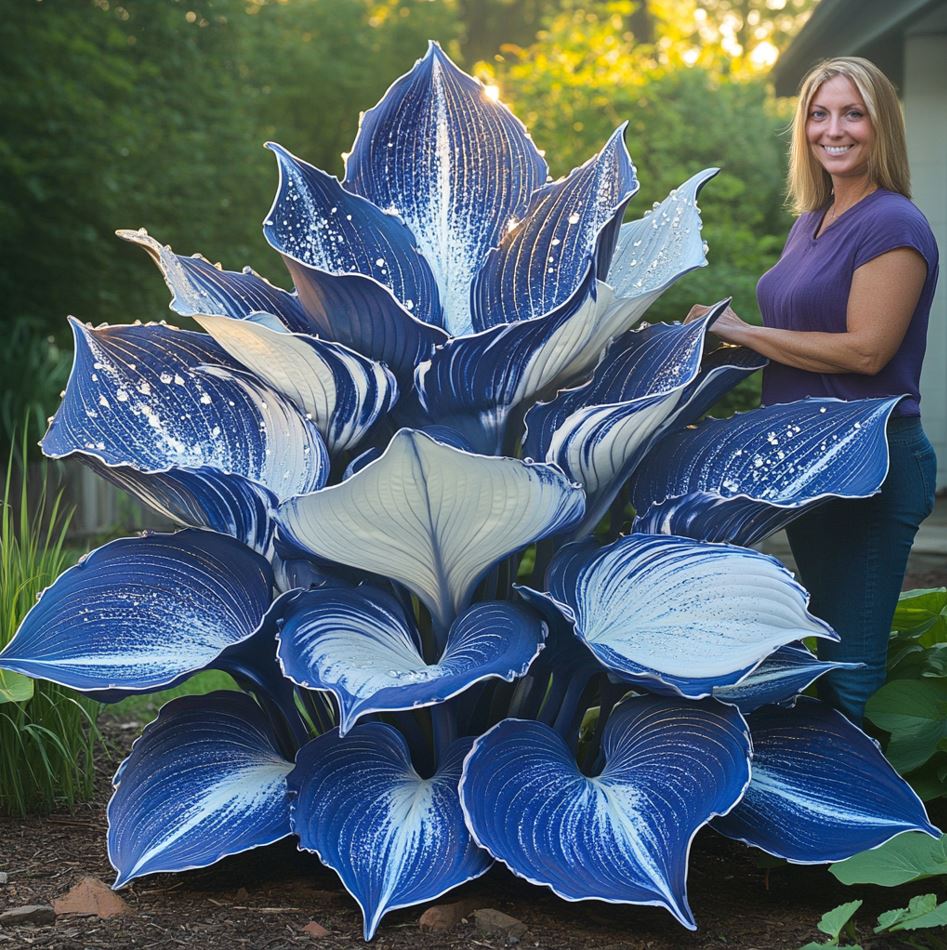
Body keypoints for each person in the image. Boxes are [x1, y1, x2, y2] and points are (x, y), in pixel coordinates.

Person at [687, 57, 939, 725]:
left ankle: (878, 826)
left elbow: (865, 349)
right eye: (819, 114)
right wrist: (721, 338)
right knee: (822, 646)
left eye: (851, 113)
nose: (834, 130)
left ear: (879, 124)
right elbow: (797, 336)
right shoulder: (812, 222)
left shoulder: (892, 224)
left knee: (850, 669)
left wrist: (746, 330)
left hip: (870, 464)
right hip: (811, 464)